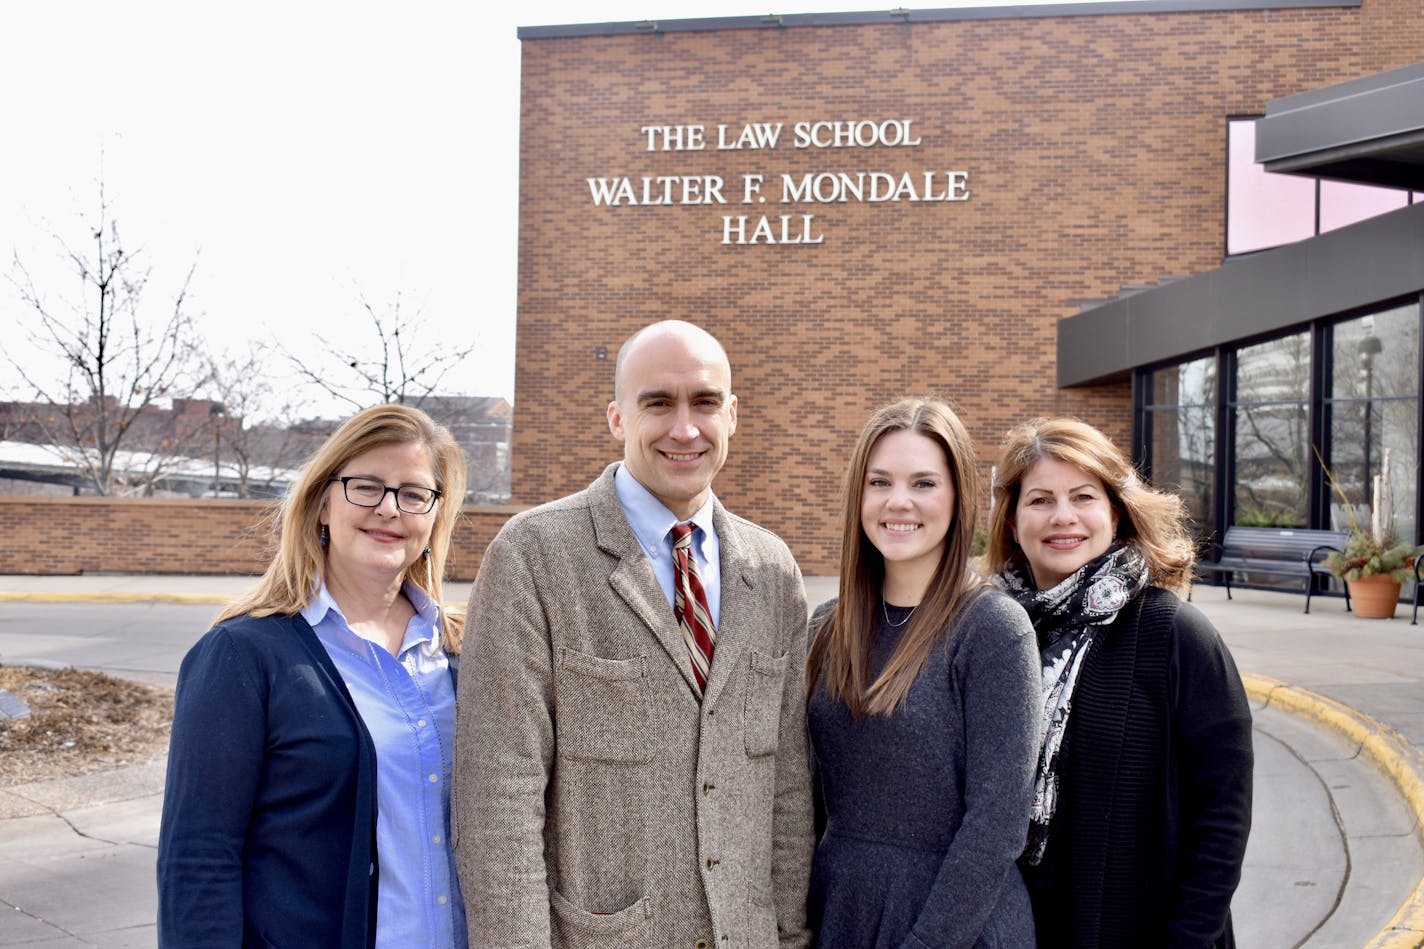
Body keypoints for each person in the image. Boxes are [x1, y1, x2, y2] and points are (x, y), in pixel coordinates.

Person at [453, 319, 814, 948]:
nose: (684, 428)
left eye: (704, 403)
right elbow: (497, 800)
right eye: (658, 403)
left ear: (732, 415)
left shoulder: (772, 570)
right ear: (618, 418)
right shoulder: (535, 557)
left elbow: (785, 789)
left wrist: (785, 936)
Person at [157, 404, 469, 948]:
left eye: (414, 493)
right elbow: (199, 858)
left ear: (436, 513)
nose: (389, 509)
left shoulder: (467, 650)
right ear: (323, 501)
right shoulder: (243, 655)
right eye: (365, 486)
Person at [986, 417, 1253, 948]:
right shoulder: (989, 635)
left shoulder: (1176, 635)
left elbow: (1222, 818)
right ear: (1013, 522)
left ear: (1116, 511)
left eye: (1083, 496)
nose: (1063, 517)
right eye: (1040, 500)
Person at [806, 397, 1041, 948]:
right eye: (880, 482)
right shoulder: (827, 627)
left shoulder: (992, 630)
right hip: (843, 911)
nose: (899, 502)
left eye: (924, 484)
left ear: (959, 497)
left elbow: (997, 825)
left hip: (954, 924)